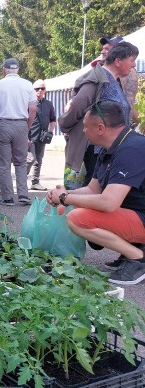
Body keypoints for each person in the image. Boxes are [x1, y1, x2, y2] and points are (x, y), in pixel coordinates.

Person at [47, 101, 145, 286]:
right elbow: (93, 190)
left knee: (77, 218)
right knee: (79, 205)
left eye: (85, 126)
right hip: (138, 214)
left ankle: (138, 259)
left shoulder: (132, 149)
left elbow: (109, 202)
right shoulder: (112, 146)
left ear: (100, 128)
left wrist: (65, 198)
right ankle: (132, 249)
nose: (83, 131)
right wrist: (65, 193)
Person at [59, 41, 138, 189]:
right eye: (132, 61)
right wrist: (65, 125)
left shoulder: (113, 80)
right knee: (92, 191)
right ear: (118, 61)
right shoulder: (97, 79)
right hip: (95, 150)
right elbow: (78, 104)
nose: (133, 65)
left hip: (108, 147)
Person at [0, 58, 37, 206]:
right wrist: (27, 126)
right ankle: (23, 194)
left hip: (2, 125)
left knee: (3, 163)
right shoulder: (28, 85)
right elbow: (33, 109)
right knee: (21, 162)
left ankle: (7, 197)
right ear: (18, 70)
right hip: (21, 124)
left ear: (4, 70)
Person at [27, 79, 56, 191]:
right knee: (31, 159)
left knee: (39, 160)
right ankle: (22, 179)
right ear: (33, 90)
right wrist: (25, 136)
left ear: (45, 90)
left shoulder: (48, 104)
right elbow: (24, 120)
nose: (39, 90)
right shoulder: (28, 103)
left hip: (42, 137)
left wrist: (50, 131)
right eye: (37, 88)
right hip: (30, 137)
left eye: (42, 88)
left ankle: (35, 182)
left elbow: (53, 119)